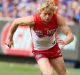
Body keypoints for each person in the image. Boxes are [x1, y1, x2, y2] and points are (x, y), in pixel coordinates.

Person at [6, 1, 74, 75]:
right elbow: (15, 22)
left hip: (53, 49)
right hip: (40, 51)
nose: (47, 17)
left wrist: (66, 41)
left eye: (50, 14)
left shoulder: (58, 19)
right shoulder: (33, 20)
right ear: (40, 11)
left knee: (63, 73)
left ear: (53, 12)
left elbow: (70, 35)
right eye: (45, 14)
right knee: (49, 73)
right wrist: (9, 38)